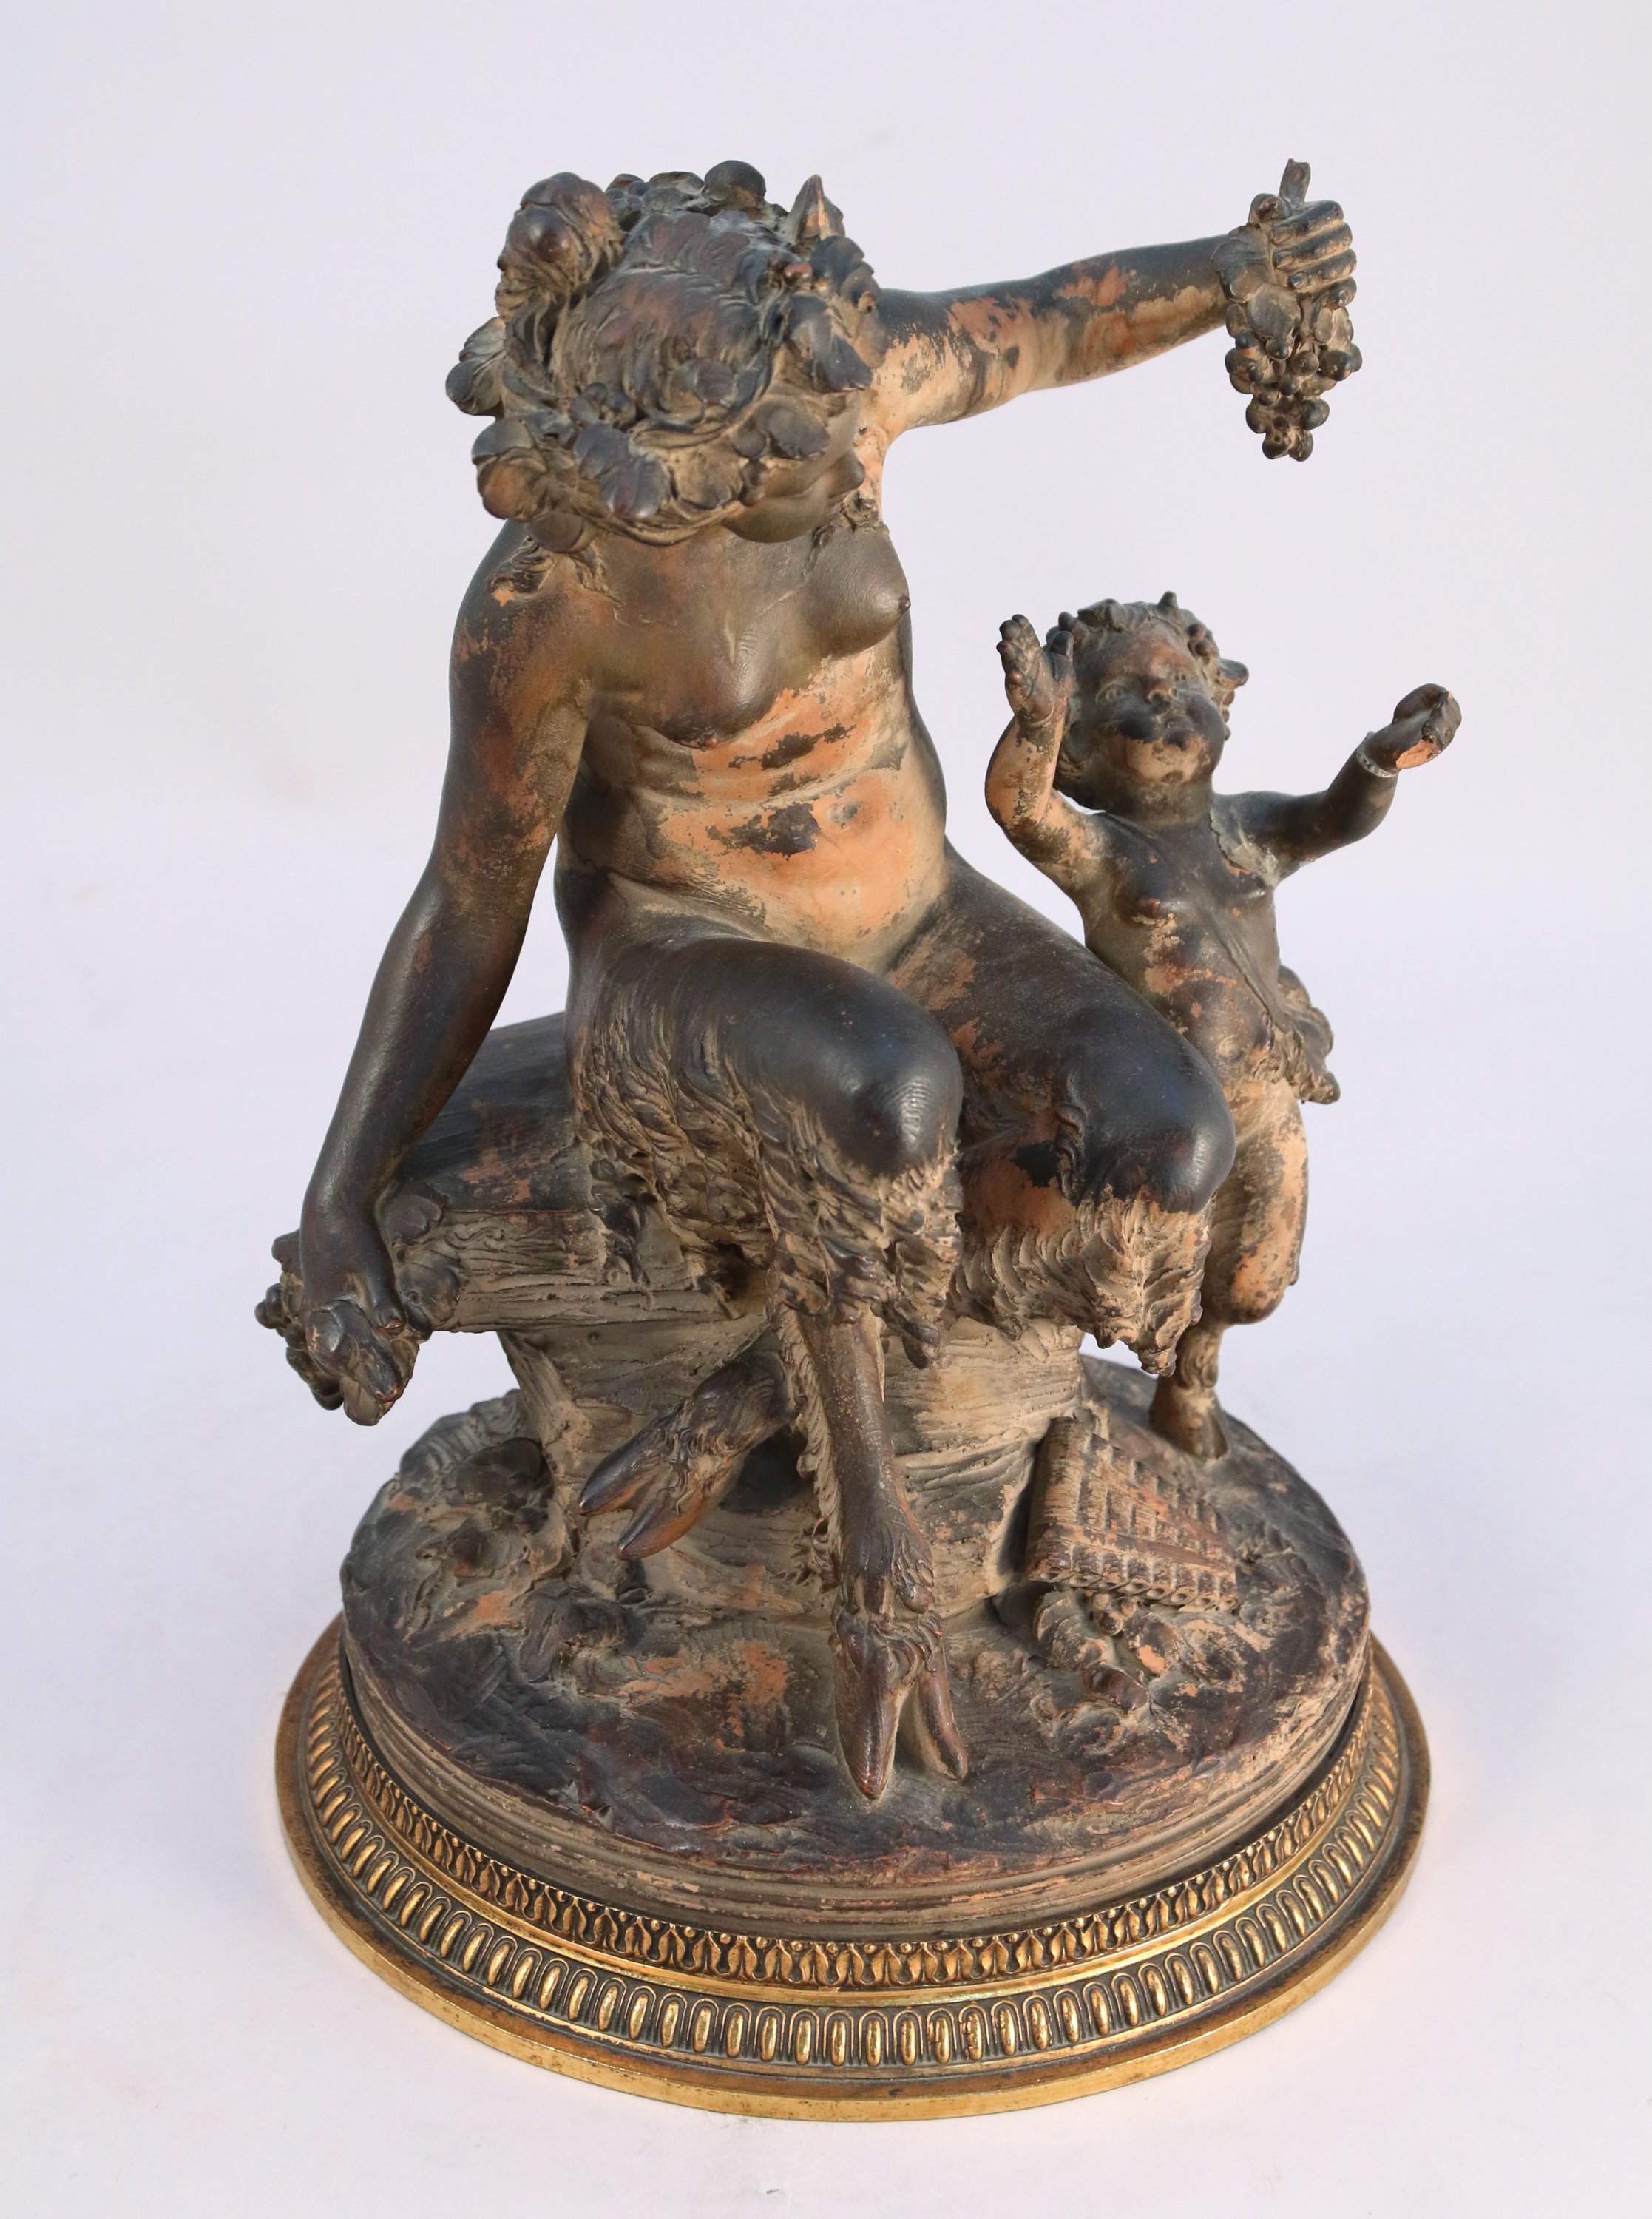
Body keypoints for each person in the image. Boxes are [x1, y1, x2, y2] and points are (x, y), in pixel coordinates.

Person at [286, 161, 1354, 1797]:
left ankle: (742, 1398)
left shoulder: (837, 378)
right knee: (890, 1092)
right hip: (690, 957)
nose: (848, 466)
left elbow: (1047, 327)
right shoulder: (552, 606)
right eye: (791, 467)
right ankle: (874, 1564)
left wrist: (1232, 269)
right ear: (677, 480)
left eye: (839, 434)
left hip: (917, 916)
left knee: (1170, 1140)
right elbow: (467, 902)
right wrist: (341, 1193)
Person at [989, 596, 1459, 1461]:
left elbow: (1334, 817)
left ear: (1221, 701)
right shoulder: (1103, 852)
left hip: (1267, 1094)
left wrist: (1379, 758)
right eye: (1126, 691)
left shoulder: (1247, 827)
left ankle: (1196, 1363)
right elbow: (1021, 812)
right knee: (1123, 1277)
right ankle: (1049, 1386)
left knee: (1253, 1279)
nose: (1160, 697)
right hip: (1160, 1123)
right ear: (1079, 747)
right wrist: (1034, 723)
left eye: (1180, 683)